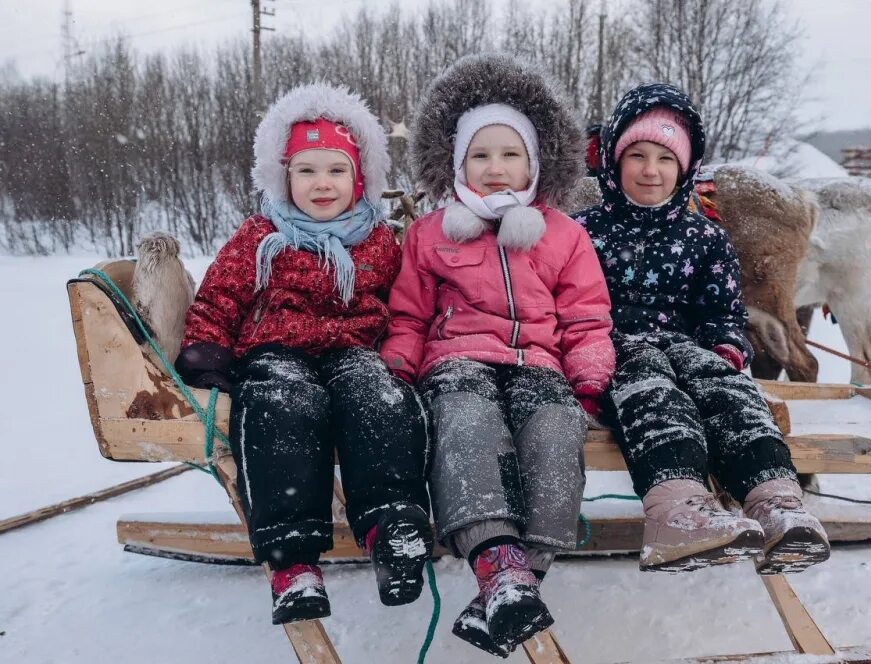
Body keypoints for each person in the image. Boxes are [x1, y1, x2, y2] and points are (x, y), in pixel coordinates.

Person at [381, 54, 614, 654]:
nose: (495, 168)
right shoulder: (432, 233)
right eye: (479, 156)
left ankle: (520, 577)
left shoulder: (562, 234)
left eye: (510, 155)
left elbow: (586, 314)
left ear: (534, 163)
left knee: (555, 429)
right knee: (467, 424)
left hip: (539, 364)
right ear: (457, 163)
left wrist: (589, 371)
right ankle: (493, 555)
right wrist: (400, 365)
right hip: (457, 362)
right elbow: (408, 311)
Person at [176, 83, 432, 624]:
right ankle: (292, 556)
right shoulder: (261, 235)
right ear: (284, 177)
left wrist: (409, 348)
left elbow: (405, 301)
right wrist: (207, 347)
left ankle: (393, 529)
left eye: (336, 171)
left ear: (359, 179)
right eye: (306, 170)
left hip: (353, 350)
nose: (322, 184)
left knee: (380, 398)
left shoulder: (378, 241)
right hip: (276, 349)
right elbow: (220, 292)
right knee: (280, 407)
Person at [573, 82, 830, 576]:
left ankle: (775, 499)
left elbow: (722, 311)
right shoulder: (585, 232)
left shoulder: (705, 236)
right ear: (612, 161)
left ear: (685, 168)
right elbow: (569, 304)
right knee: (655, 393)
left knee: (730, 389)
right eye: (638, 156)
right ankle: (677, 511)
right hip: (615, 346)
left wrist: (727, 347)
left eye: (666, 159)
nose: (651, 170)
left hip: (683, 345)